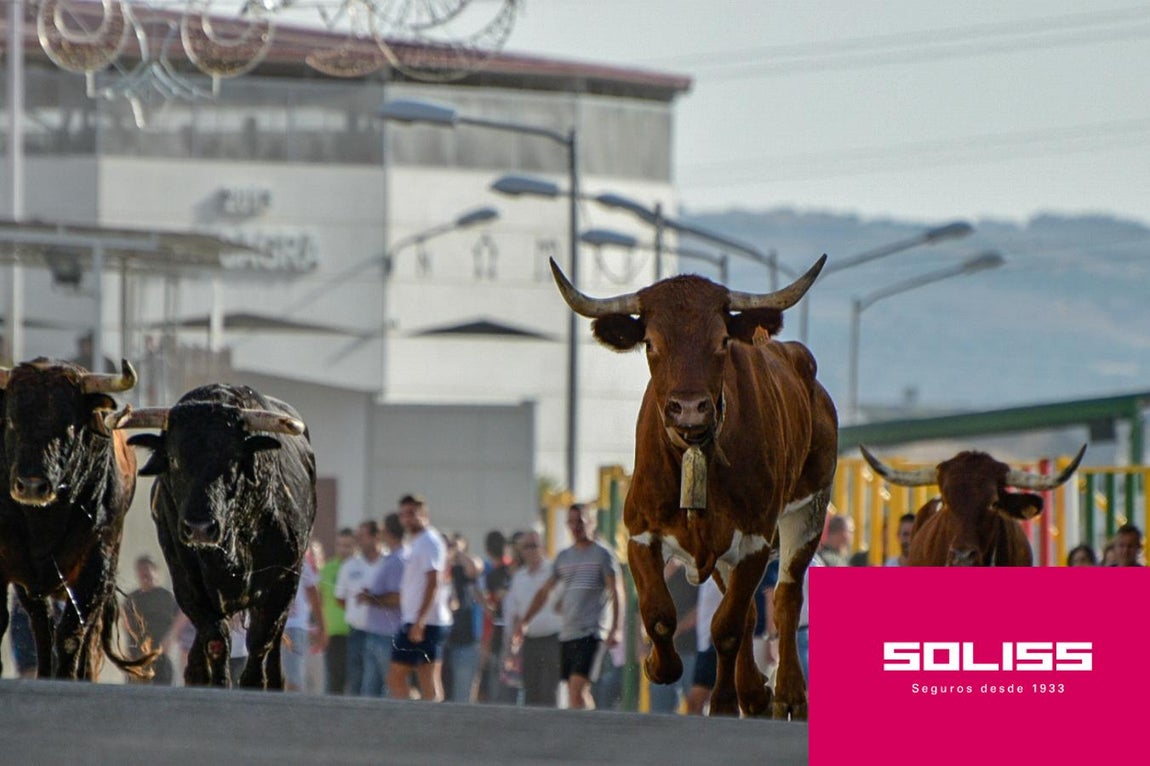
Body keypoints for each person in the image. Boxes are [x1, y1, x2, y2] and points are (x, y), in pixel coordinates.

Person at [511, 504, 622, 711]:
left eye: (580, 521)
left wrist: (616, 628)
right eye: (571, 522)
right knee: (575, 693)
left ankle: (587, 735)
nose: (575, 527)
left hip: (592, 631)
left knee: (578, 689)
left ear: (591, 522)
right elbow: (544, 592)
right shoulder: (564, 557)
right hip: (568, 633)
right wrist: (524, 622)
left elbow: (617, 592)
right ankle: (586, 733)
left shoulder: (602, 555)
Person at [388, 494, 453, 702]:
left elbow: (434, 581)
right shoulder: (417, 542)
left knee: (396, 677)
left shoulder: (429, 541)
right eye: (403, 514)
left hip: (425, 621)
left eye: (412, 513)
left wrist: (420, 620)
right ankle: (425, 718)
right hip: (419, 618)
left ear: (424, 515)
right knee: (427, 676)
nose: (408, 519)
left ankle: (416, 717)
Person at [505, 530, 563, 707]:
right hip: (530, 640)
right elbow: (514, 613)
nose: (531, 551)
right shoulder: (519, 577)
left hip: (553, 639)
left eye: (534, 546)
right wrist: (512, 643)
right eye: (526, 547)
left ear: (542, 547)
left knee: (549, 690)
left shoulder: (554, 572)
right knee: (531, 690)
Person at [358, 513, 407, 697]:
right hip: (377, 634)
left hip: (388, 636)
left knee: (389, 691)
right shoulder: (391, 559)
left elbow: (397, 597)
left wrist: (370, 599)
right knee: (369, 691)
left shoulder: (398, 561)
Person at [335, 520, 384, 695]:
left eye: (362, 536)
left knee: (381, 681)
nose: (358, 541)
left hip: (383, 634)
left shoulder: (388, 562)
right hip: (357, 632)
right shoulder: (349, 566)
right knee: (356, 679)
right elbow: (340, 599)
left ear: (376, 537)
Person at [647, 558, 697, 715]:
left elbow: (699, 610)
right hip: (660, 652)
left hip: (689, 649)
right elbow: (640, 608)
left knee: (695, 703)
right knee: (660, 708)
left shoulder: (688, 576)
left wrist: (676, 630)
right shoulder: (652, 580)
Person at [121, 555, 180, 685]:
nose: (145, 574)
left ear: (155, 572)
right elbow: (126, 625)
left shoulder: (166, 597)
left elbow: (180, 618)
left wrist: (170, 638)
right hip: (137, 660)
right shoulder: (131, 599)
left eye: (148, 570)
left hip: (160, 657)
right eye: (141, 571)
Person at [444, 532, 482, 703]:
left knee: (462, 695)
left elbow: (474, 568)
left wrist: (458, 553)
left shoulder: (462, 570)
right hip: (442, 640)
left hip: (464, 640)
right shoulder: (437, 571)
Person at [478, 529, 513, 703]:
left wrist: (486, 643)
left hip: (497, 637)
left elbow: (492, 614)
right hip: (515, 634)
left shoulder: (492, 575)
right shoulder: (514, 571)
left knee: (496, 689)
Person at [283, 550, 327, 692]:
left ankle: (292, 712)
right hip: (271, 626)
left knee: (293, 678)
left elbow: (313, 592)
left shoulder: (299, 559)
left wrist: (322, 626)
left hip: (293, 625)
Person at [318, 528, 355, 694]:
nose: (343, 549)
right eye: (340, 545)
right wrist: (321, 628)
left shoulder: (358, 567)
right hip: (333, 631)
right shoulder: (328, 568)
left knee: (354, 678)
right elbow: (320, 599)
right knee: (334, 679)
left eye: (348, 545)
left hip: (354, 631)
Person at [686, 575, 722, 715]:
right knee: (697, 703)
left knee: (697, 700)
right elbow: (700, 610)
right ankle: (700, 735)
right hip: (703, 644)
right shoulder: (706, 577)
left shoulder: (725, 572)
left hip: (715, 644)